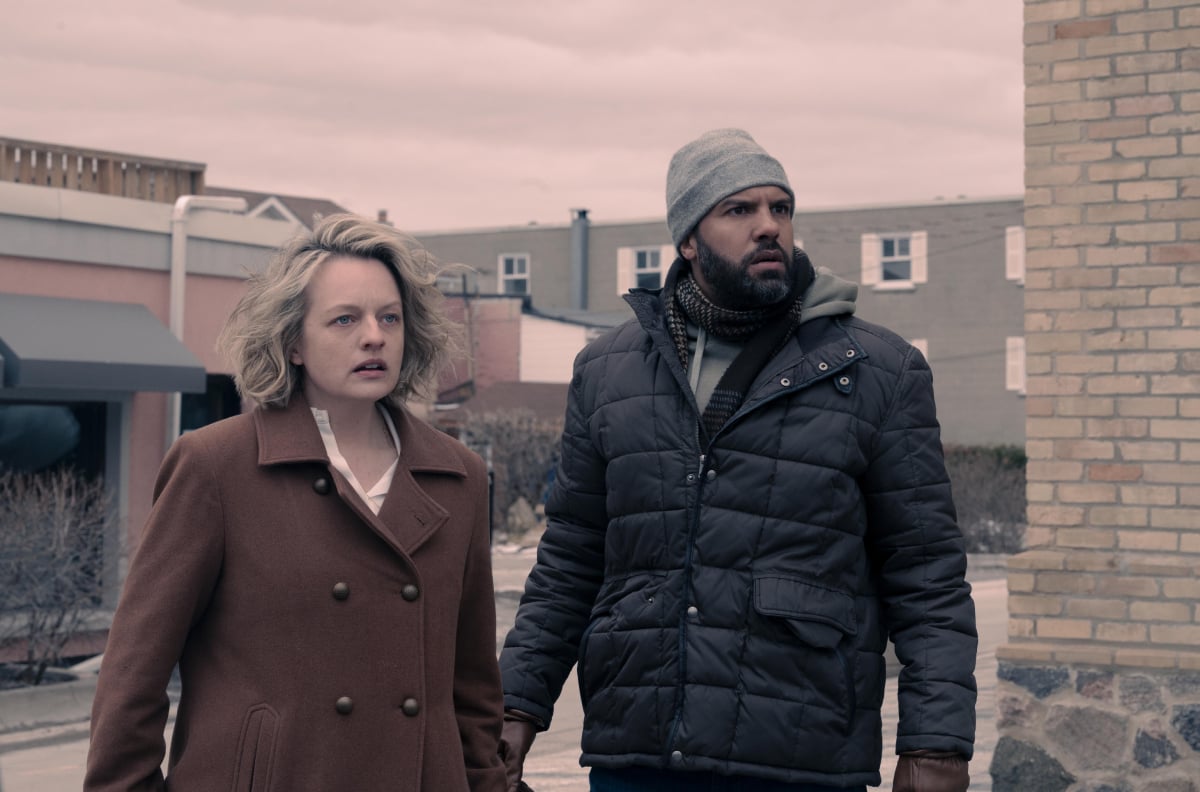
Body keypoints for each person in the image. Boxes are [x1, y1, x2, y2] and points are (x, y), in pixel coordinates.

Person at [497, 129, 977, 792]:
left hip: (799, 748)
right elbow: (572, 555)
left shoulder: (878, 370)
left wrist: (937, 742)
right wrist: (517, 702)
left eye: (780, 208)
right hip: (639, 746)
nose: (768, 227)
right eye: (739, 210)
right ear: (688, 239)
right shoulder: (607, 371)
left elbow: (926, 575)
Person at [85, 214, 506, 791]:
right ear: (293, 342)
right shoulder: (216, 466)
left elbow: (475, 688)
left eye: (389, 317)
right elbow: (133, 673)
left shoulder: (458, 475)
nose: (373, 336)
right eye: (344, 319)